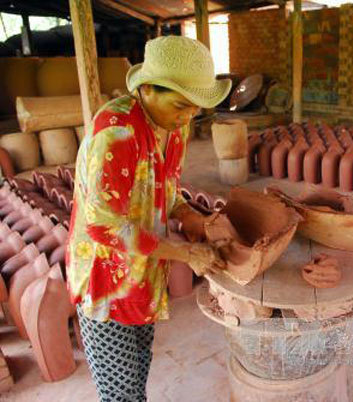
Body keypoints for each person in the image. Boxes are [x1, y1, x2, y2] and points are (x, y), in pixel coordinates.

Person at [65, 36, 232, 401]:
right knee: (120, 394)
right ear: (146, 90)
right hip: (106, 282)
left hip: (143, 268)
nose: (188, 116)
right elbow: (102, 225)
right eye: (180, 105)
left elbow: (166, 190)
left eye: (195, 109)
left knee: (138, 372)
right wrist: (187, 254)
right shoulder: (116, 131)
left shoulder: (175, 127)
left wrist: (192, 216)